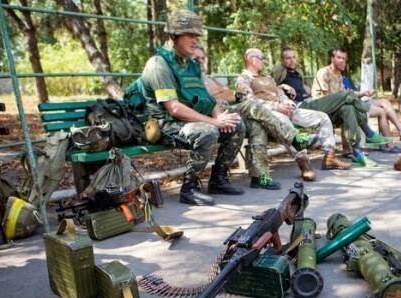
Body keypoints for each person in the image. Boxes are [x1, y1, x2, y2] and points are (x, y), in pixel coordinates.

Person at [137, 9, 245, 206]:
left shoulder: (190, 64)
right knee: (208, 132)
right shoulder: (158, 65)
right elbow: (174, 109)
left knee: (236, 125)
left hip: (187, 120)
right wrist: (214, 122)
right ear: (174, 35)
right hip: (165, 124)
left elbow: (207, 98)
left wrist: (220, 117)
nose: (195, 40)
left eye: (196, 35)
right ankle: (189, 189)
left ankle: (218, 180)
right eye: (189, 35)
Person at [192, 45, 313, 188]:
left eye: (202, 58)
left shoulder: (208, 78)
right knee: (252, 105)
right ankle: (294, 138)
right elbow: (217, 96)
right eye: (195, 59)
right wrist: (222, 94)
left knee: (257, 127)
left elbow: (230, 94)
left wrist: (223, 93)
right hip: (213, 115)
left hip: (227, 110)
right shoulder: (191, 78)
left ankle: (259, 177)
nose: (200, 61)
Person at [272, 47, 393, 166]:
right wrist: (282, 86)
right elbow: (270, 88)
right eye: (288, 58)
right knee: (347, 95)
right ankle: (368, 133)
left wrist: (308, 90)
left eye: (293, 57)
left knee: (348, 108)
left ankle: (357, 152)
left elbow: (305, 88)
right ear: (282, 60)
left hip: (310, 102)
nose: (292, 60)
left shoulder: (298, 73)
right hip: (302, 107)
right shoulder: (279, 71)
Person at [236, 48, 351, 171]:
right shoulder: (244, 79)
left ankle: (330, 157)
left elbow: (279, 92)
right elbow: (250, 102)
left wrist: (288, 102)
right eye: (261, 57)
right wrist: (277, 107)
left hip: (286, 108)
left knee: (322, 117)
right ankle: (304, 164)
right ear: (251, 59)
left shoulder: (267, 77)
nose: (263, 60)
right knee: (285, 122)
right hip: (270, 113)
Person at [312, 48, 401, 153]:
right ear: (332, 58)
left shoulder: (339, 76)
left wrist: (364, 93)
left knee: (384, 103)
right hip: (326, 109)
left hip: (343, 104)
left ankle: (399, 131)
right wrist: (347, 96)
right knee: (379, 110)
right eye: (339, 57)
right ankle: (384, 141)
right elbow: (327, 99)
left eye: (344, 59)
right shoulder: (324, 73)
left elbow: (345, 94)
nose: (342, 61)